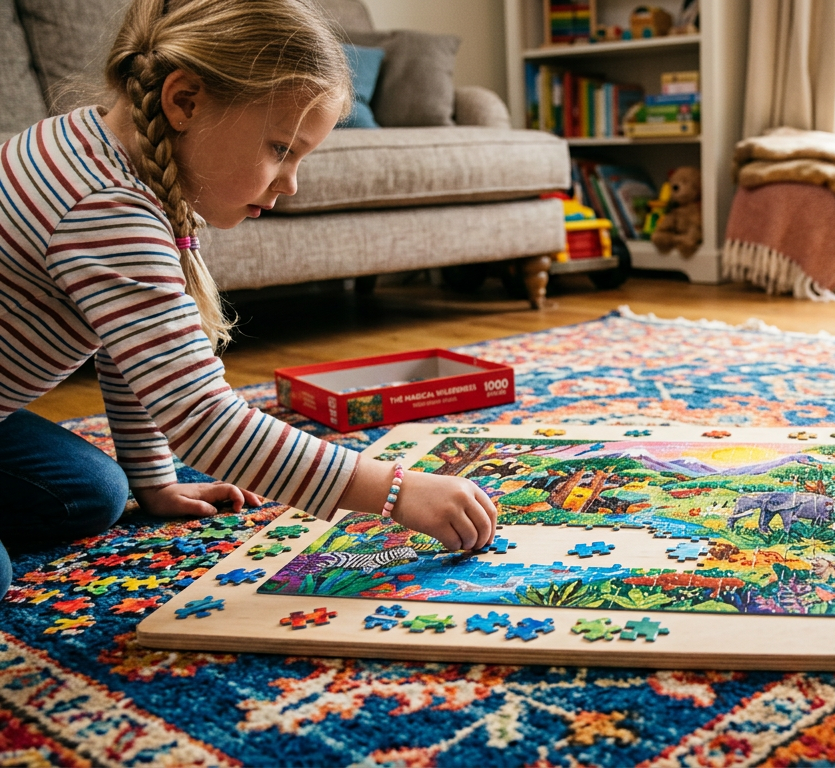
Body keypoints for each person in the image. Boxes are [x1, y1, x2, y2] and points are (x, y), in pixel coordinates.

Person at [0, 0, 496, 596]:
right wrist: (395, 491)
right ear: (184, 102)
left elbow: (128, 348)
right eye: (280, 149)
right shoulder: (105, 209)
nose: (290, 182)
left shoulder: (93, 142)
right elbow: (204, 420)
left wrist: (155, 481)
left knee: (94, 492)